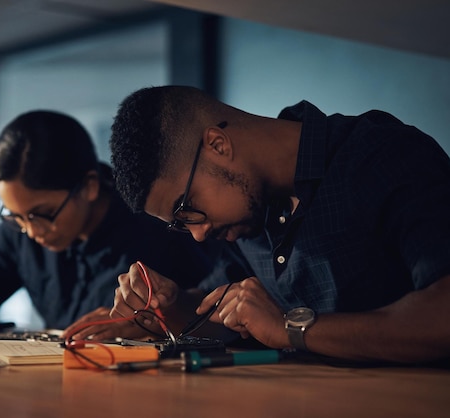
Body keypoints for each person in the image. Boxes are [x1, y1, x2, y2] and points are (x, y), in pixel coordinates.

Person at [108, 85, 450, 364]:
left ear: (217, 145)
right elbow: (229, 316)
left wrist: (292, 329)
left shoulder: (385, 157)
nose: (198, 234)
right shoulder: (247, 214)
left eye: (187, 208)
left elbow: (442, 318)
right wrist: (168, 306)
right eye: (180, 224)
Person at [0, 110, 219, 333]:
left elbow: (215, 313)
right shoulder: (19, 232)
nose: (31, 231)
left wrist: (157, 324)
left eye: (43, 214)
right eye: (16, 217)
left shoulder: (156, 223)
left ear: (89, 186)